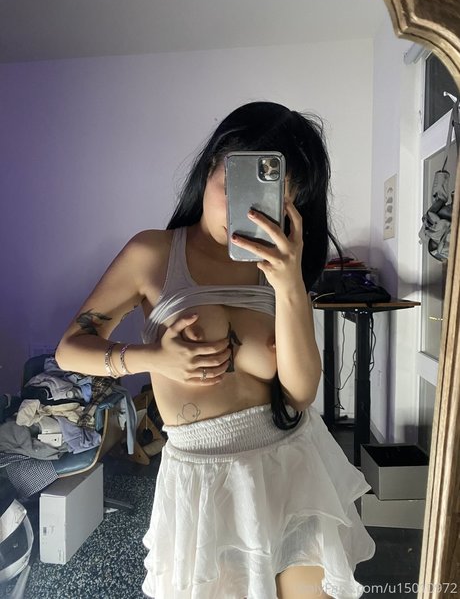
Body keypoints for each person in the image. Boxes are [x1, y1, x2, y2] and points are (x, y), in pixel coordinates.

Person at [56, 101, 375, 599]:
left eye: (271, 199)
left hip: (291, 464)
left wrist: (290, 283)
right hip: (203, 481)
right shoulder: (152, 253)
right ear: (210, 168)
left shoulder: (278, 268)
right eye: (234, 187)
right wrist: (153, 359)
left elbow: (300, 392)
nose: (248, 212)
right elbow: (70, 350)